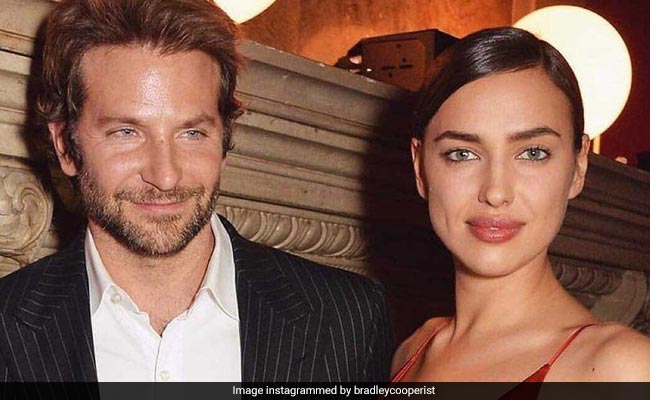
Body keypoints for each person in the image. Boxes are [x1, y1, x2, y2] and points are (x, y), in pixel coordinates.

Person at [0, 0, 392, 382]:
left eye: (191, 133)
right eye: (126, 132)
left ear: (225, 141)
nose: (166, 176)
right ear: (65, 147)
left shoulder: (349, 317)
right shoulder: (6, 326)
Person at [392, 27, 650, 386]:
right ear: (420, 167)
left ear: (578, 167)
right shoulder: (412, 351)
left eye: (533, 153)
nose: (496, 192)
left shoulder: (623, 370)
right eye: (462, 153)